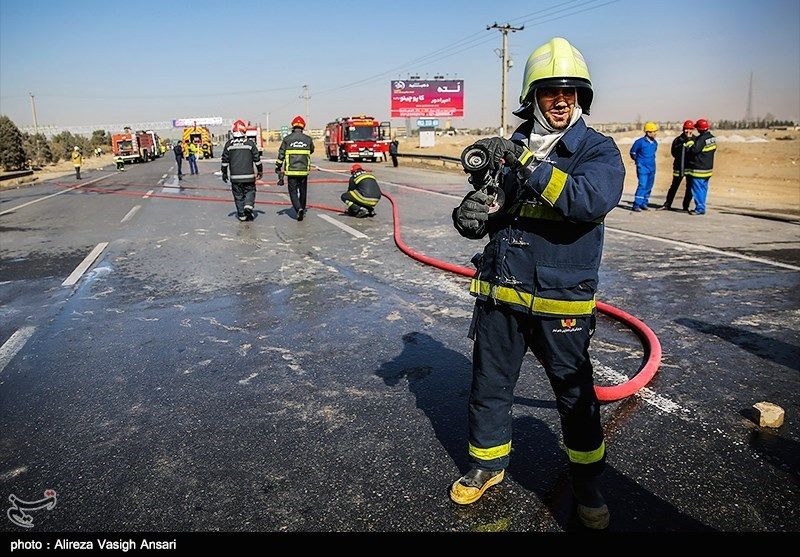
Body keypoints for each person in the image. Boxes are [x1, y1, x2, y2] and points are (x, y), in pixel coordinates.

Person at [450, 36, 624, 530]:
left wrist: (525, 162)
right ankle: (487, 465)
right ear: (534, 97)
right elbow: (491, 207)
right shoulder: (514, 147)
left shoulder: (597, 150)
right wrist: (470, 217)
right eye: (551, 91)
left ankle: (587, 485)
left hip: (559, 302)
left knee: (574, 395)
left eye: (571, 91)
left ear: (582, 98)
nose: (562, 100)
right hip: (501, 296)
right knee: (488, 385)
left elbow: (587, 201)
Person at [221, 120, 263, 222]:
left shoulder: (228, 144)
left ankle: (241, 215)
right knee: (250, 191)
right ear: (244, 131)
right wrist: (260, 171)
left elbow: (224, 161)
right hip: (249, 176)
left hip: (235, 177)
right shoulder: (250, 143)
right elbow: (257, 159)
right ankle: (248, 206)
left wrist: (224, 173)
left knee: (238, 195)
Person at [276, 116, 314, 221]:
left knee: (293, 192)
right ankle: (302, 207)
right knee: (303, 191)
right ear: (303, 127)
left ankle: (298, 209)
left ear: (293, 126)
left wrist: (278, 166)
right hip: (303, 171)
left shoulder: (287, 139)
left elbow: (281, 154)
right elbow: (311, 150)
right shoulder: (308, 139)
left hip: (291, 171)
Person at [658, 120, 695, 211]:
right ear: (683, 129)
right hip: (678, 168)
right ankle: (667, 204)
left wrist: (689, 141)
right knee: (674, 187)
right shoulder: (678, 140)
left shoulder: (695, 140)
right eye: (686, 128)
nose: (688, 131)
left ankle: (686, 206)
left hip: (690, 168)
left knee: (689, 188)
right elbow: (674, 153)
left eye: (690, 129)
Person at [685, 118, 716, 215]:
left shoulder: (701, 139)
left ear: (699, 129)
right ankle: (702, 206)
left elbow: (693, 150)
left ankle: (699, 208)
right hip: (708, 169)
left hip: (699, 169)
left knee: (698, 190)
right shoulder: (712, 138)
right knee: (703, 189)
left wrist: (689, 140)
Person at [629, 122, 659, 211]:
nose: (655, 133)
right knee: (642, 185)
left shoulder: (655, 143)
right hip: (642, 168)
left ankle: (644, 203)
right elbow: (633, 152)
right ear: (648, 132)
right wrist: (638, 161)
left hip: (652, 168)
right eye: (653, 132)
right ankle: (636, 205)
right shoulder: (639, 142)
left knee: (649, 186)